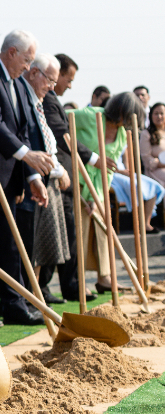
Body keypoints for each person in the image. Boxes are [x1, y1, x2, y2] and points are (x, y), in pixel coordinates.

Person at [0, 30, 51, 325]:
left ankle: (14, 303)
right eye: (26, 59)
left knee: (10, 242)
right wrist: (26, 155)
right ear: (11, 53)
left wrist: (31, 175)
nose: (27, 66)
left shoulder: (19, 83)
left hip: (12, 178)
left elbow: (22, 130)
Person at [71, 92, 146, 292]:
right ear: (121, 111)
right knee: (81, 232)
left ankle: (104, 278)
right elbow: (61, 121)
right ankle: (78, 281)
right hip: (77, 180)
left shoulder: (122, 133)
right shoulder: (90, 115)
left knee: (103, 231)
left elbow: (110, 168)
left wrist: (99, 196)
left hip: (99, 186)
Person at [39, 53, 98, 302]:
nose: (69, 85)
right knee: (55, 235)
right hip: (52, 176)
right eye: (68, 79)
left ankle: (71, 285)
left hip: (65, 178)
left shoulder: (52, 99)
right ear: (58, 74)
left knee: (67, 235)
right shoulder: (49, 101)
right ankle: (44, 286)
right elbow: (62, 134)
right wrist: (92, 157)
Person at [19, 54, 71, 301]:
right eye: (49, 79)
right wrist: (54, 170)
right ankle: (33, 293)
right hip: (33, 178)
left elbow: (49, 143)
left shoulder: (40, 101)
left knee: (46, 243)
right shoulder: (25, 100)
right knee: (36, 243)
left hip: (47, 176)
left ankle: (39, 289)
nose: (52, 86)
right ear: (33, 73)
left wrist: (58, 168)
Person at [141, 102, 165, 189]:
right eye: (156, 113)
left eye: (162, 113)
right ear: (151, 116)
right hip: (155, 170)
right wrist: (160, 164)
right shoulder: (146, 134)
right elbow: (146, 158)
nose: (159, 116)